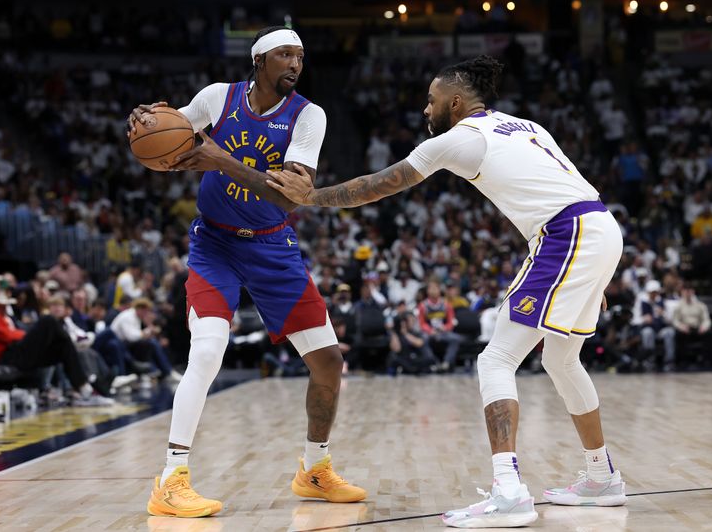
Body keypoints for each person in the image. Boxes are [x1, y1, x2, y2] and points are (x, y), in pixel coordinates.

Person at [266, 55, 626, 528]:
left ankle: (509, 491)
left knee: (495, 360)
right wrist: (594, 272)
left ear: (455, 103)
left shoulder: (459, 140)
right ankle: (602, 478)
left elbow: (380, 184)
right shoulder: (524, 125)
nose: (425, 109)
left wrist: (310, 196)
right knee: (561, 359)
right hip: (597, 227)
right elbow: (565, 187)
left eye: (431, 101)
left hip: (567, 235)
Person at [127, 26, 365, 517]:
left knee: (328, 362)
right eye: (284, 55)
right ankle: (171, 479)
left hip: (273, 247)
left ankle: (314, 469)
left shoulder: (308, 116)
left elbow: (288, 196)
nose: (295, 64)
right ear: (259, 62)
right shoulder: (219, 98)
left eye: (300, 55)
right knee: (209, 348)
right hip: (214, 244)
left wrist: (221, 159)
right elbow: (168, 149)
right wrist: (148, 125)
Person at [0, 277, 113, 406]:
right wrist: (32, 335)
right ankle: (85, 388)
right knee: (48, 321)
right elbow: (7, 335)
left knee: (62, 345)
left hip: (12, 351)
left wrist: (30, 334)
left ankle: (84, 390)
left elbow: (10, 331)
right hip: (3, 357)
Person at [417, 280, 461, 372]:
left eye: (435, 288)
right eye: (431, 288)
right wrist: (430, 330)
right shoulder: (423, 306)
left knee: (456, 338)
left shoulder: (446, 305)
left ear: (439, 290)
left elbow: (451, 322)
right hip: (429, 333)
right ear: (427, 291)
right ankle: (433, 363)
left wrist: (445, 327)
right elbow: (421, 323)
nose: (433, 291)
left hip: (442, 332)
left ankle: (446, 363)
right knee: (422, 340)